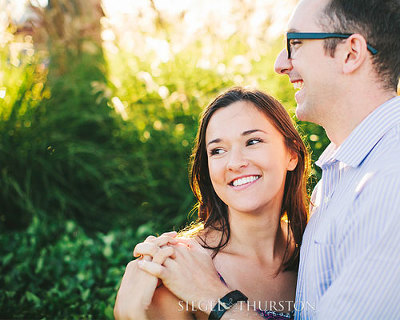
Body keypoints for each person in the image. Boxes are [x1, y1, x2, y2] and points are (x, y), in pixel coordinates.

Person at [130, 0, 400, 319]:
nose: (280, 64)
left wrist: (214, 296)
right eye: (217, 149)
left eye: (296, 44)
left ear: (350, 52)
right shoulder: (342, 175)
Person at [114, 87, 311, 320]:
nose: (235, 163)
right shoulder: (179, 270)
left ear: (292, 154)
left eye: (252, 141)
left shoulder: (314, 245)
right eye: (218, 150)